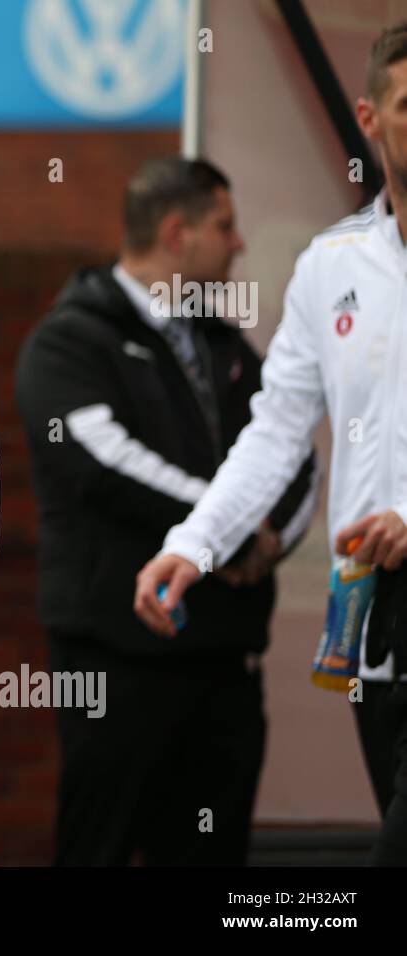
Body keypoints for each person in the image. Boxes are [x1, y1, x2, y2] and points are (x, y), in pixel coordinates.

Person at [137, 22, 407, 867]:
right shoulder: (332, 266)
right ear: (370, 118)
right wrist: (196, 543)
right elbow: (278, 429)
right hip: (376, 611)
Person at [16, 157, 318, 865]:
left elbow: (295, 450)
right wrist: (222, 533)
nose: (239, 243)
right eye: (225, 225)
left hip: (226, 662)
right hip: (118, 659)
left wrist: (267, 539)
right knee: (103, 851)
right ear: (177, 233)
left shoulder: (227, 347)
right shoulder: (70, 338)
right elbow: (101, 458)